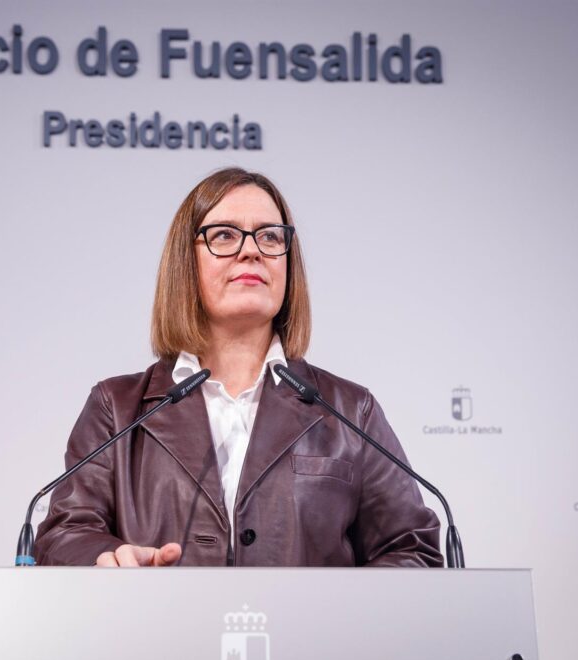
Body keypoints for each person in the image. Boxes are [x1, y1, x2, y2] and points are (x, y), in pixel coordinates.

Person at [35, 168, 443, 568]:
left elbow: (412, 551)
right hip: (159, 618)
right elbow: (64, 535)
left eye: (270, 236)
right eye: (225, 235)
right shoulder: (116, 407)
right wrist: (107, 560)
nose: (252, 251)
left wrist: (338, 608)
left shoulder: (352, 411)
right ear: (185, 261)